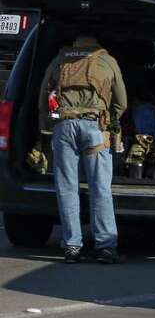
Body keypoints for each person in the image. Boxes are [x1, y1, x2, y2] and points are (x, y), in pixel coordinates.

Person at [40, 35, 127, 263]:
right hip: (95, 126)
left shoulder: (60, 59)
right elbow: (122, 101)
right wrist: (113, 120)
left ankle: (72, 246)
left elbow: (43, 94)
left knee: (67, 186)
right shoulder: (106, 60)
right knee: (100, 187)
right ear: (96, 45)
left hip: (64, 127)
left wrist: (45, 126)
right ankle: (106, 247)